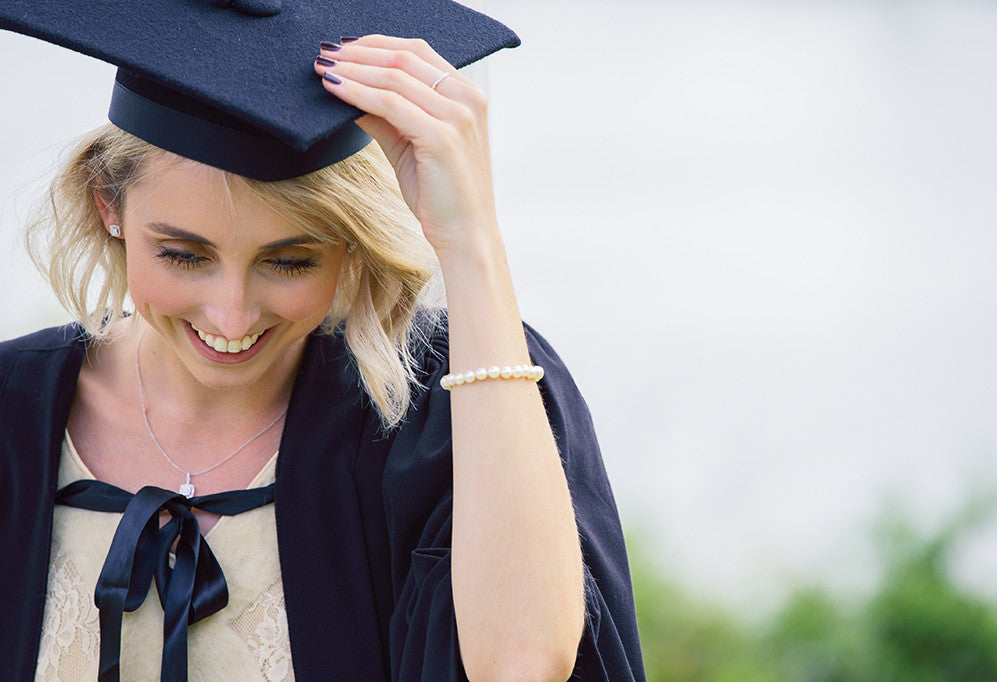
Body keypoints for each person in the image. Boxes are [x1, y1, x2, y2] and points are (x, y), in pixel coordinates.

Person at [0, 1, 644, 680]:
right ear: (109, 205)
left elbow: (522, 663)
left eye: (289, 261)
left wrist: (471, 242)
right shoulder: (14, 411)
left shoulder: (449, 407)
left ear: (351, 244)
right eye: (184, 256)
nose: (230, 315)